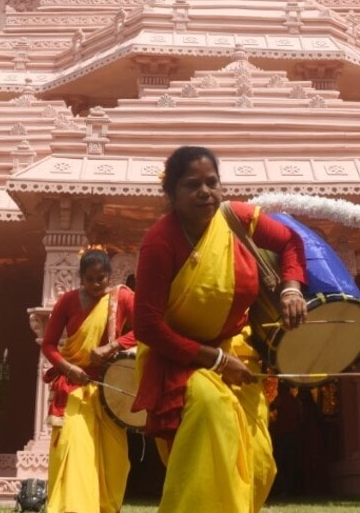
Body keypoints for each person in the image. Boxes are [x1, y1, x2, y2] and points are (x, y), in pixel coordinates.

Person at [132, 146, 308, 513]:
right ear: (172, 193)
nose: (205, 192)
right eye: (191, 184)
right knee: (214, 416)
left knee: (258, 462)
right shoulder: (159, 243)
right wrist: (215, 360)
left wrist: (292, 286)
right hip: (180, 359)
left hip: (237, 351)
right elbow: (147, 326)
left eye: (212, 182)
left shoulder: (237, 218)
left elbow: (290, 241)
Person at [42, 247, 138, 513]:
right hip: (74, 387)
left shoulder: (122, 298)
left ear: (110, 275)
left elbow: (147, 328)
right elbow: (48, 345)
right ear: (80, 278)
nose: (97, 284)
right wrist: (68, 368)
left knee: (113, 457)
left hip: (109, 389)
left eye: (102, 278)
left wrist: (113, 347)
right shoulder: (66, 302)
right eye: (90, 279)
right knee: (74, 449)